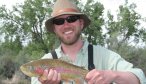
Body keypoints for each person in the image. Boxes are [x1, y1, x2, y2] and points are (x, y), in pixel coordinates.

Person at [31, 0, 146, 84]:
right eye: (59, 21)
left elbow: (139, 77)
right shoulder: (43, 62)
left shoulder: (104, 55)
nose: (66, 25)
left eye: (71, 19)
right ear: (55, 29)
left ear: (81, 23)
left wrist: (112, 75)